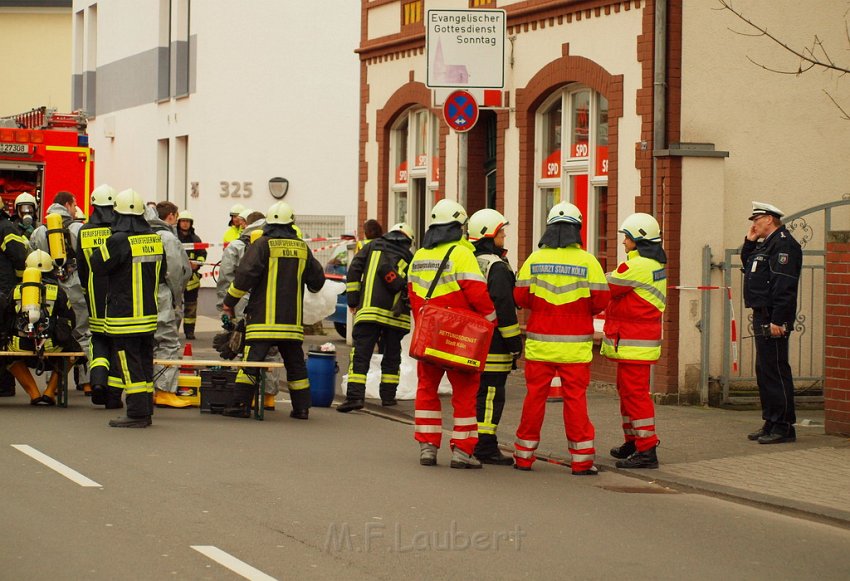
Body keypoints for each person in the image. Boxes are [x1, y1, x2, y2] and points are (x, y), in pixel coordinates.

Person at [513, 202, 609, 476]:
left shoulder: (535, 259)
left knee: (534, 399)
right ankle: (581, 461)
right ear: (577, 229)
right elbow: (600, 301)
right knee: (576, 400)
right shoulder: (588, 261)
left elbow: (520, 298)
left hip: (540, 344)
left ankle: (523, 456)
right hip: (575, 346)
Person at [407, 199, 497, 469]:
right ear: (459, 226)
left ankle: (427, 447)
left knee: (426, 390)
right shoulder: (461, 253)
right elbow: (477, 294)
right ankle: (462, 451)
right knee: (465, 393)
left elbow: (413, 297)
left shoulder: (419, 256)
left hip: (429, 335)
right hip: (460, 337)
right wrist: (491, 321)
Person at [221, 201, 325, 419]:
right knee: (296, 366)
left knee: (251, 363)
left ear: (268, 222)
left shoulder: (262, 245)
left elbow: (243, 277)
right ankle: (302, 409)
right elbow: (317, 281)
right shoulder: (302, 247)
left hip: (262, 321)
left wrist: (229, 302)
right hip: (291, 322)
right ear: (291, 223)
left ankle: (240, 405)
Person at [89, 189, 166, 428]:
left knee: (128, 363)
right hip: (148, 315)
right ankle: (146, 410)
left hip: (124, 316)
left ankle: (136, 413)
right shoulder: (154, 238)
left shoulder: (118, 240)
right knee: (144, 361)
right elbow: (162, 274)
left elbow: (97, 265)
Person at [602, 213, 667, 469]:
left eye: (626, 238)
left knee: (636, 396)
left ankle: (647, 448)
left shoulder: (638, 266)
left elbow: (606, 285)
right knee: (628, 393)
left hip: (633, 343)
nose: (623, 242)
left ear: (638, 239)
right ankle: (634, 441)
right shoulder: (651, 264)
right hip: (635, 341)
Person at [741, 201, 803, 444]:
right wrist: (749, 241)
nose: (754, 224)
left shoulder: (784, 244)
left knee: (776, 370)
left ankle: (784, 426)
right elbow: (750, 264)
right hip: (763, 313)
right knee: (764, 370)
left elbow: (784, 285)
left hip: (773, 316)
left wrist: (779, 319)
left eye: (756, 220)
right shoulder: (767, 244)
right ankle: (771, 420)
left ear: (769, 219)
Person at [337, 222, 415, 412]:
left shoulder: (371, 246)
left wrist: (353, 300)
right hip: (396, 317)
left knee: (361, 354)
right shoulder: (410, 257)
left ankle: (355, 397)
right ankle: (388, 397)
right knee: (392, 356)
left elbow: (354, 269)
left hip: (370, 311)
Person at [467, 209, 523, 465]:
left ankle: (470, 440)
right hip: (494, 343)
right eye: (501, 232)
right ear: (488, 235)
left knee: (475, 393)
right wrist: (514, 343)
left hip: (470, 340)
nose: (504, 235)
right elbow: (504, 308)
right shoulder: (497, 267)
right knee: (491, 394)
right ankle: (485, 446)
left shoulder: (468, 261)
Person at [29, 191, 90, 394]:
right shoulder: (78, 229)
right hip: (75, 286)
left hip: (49, 289)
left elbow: (31, 259)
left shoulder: (39, 231)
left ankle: (52, 382)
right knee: (83, 333)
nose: (75, 209)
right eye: (74, 205)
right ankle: (87, 381)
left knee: (51, 334)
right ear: (67, 205)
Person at [4, 250, 79, 405]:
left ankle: (34, 393)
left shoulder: (17, 290)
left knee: (8, 356)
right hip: (50, 346)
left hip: (19, 346)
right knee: (74, 352)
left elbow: (7, 318)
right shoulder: (58, 291)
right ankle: (50, 392)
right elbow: (70, 319)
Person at [76, 184, 118, 408]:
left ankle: (98, 381)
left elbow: (81, 267)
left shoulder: (84, 231)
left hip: (94, 293)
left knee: (98, 338)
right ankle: (113, 391)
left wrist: (86, 289)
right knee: (117, 339)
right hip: (118, 294)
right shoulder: (119, 231)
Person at [147, 202, 191, 408]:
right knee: (167, 343)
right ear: (171, 217)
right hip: (162, 294)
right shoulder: (168, 238)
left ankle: (148, 389)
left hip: (141, 295)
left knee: (146, 343)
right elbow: (177, 270)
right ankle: (165, 391)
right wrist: (176, 296)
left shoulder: (142, 236)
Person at [0, 198, 30, 398]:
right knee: (3, 337)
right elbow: (20, 257)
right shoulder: (6, 228)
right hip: (3, 291)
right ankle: (4, 385)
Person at [176, 210, 206, 340]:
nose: (185, 224)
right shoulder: (174, 238)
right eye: (183, 221)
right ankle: (173, 332)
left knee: (191, 307)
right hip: (176, 278)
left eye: (187, 221)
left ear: (191, 223)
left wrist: (198, 264)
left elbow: (202, 255)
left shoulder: (196, 239)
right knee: (175, 307)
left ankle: (189, 332)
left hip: (192, 279)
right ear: (179, 222)